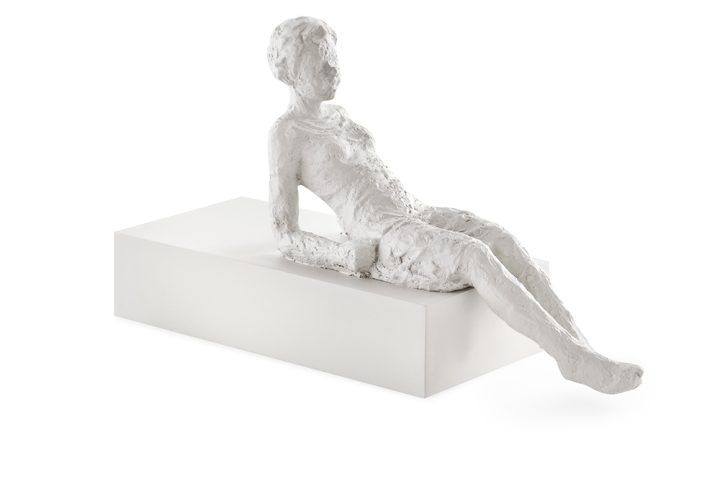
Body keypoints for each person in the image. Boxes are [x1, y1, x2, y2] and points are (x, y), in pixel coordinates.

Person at [266, 16, 642, 394]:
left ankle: (583, 350)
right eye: (320, 60)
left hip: (416, 211)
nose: (333, 68)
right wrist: (342, 255)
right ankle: (570, 358)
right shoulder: (287, 134)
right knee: (474, 255)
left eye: (333, 57)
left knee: (503, 240)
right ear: (292, 71)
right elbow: (284, 234)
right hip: (385, 233)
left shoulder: (340, 116)